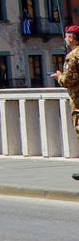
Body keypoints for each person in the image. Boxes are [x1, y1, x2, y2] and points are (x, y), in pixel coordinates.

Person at [50, 24, 79, 180]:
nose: (66, 39)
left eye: (67, 36)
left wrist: (58, 76)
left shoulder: (72, 56)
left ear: (72, 38)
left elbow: (68, 81)